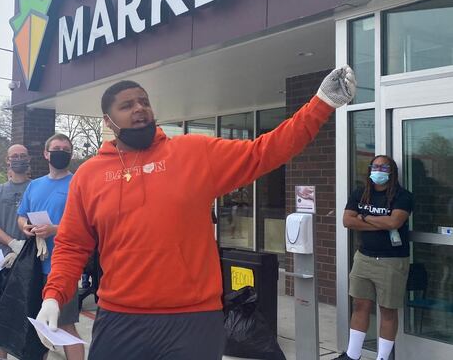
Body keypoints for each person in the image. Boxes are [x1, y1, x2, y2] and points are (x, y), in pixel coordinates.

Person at [37, 67, 356, 359]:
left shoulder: (193, 153)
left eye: (144, 102)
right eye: (127, 105)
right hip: (120, 318)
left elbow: (266, 151)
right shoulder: (90, 175)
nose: (139, 109)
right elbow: (72, 244)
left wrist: (322, 103)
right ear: (108, 120)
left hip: (193, 320)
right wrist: (54, 296)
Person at [335, 155, 413, 360]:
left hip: (392, 261)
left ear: (392, 171)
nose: (378, 170)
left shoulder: (402, 196)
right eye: (375, 166)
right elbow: (347, 221)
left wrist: (364, 217)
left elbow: (394, 222)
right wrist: (380, 221)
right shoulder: (360, 193)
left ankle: (383, 358)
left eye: (383, 167)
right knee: (360, 305)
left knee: (387, 311)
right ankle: (352, 355)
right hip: (364, 258)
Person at [17, 133, 83, 360]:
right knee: (37, 326)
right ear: (46, 153)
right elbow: (21, 216)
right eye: (56, 148)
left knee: (64, 326)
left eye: (66, 149)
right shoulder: (34, 185)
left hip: (63, 267)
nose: (61, 152)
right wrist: (25, 227)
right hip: (34, 267)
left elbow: (85, 222)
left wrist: (54, 229)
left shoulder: (77, 183)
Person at [0, 144, 31, 360]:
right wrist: (12, 242)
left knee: (27, 312)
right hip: (3, 260)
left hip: (30, 259)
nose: (19, 159)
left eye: (23, 156)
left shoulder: (36, 187)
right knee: (1, 312)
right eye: (15, 156)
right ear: (8, 160)